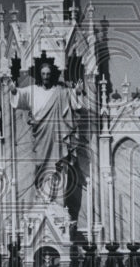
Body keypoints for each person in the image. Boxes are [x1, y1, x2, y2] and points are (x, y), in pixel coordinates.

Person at [8, 59, 84, 202]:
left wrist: (77, 92)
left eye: (48, 74)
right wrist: (13, 90)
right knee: (40, 164)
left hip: (56, 136)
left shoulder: (59, 92)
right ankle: (42, 197)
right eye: (43, 74)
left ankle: (57, 202)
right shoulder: (33, 90)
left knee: (58, 165)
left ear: (52, 75)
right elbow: (20, 95)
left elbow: (72, 97)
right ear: (40, 75)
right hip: (41, 135)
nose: (46, 76)